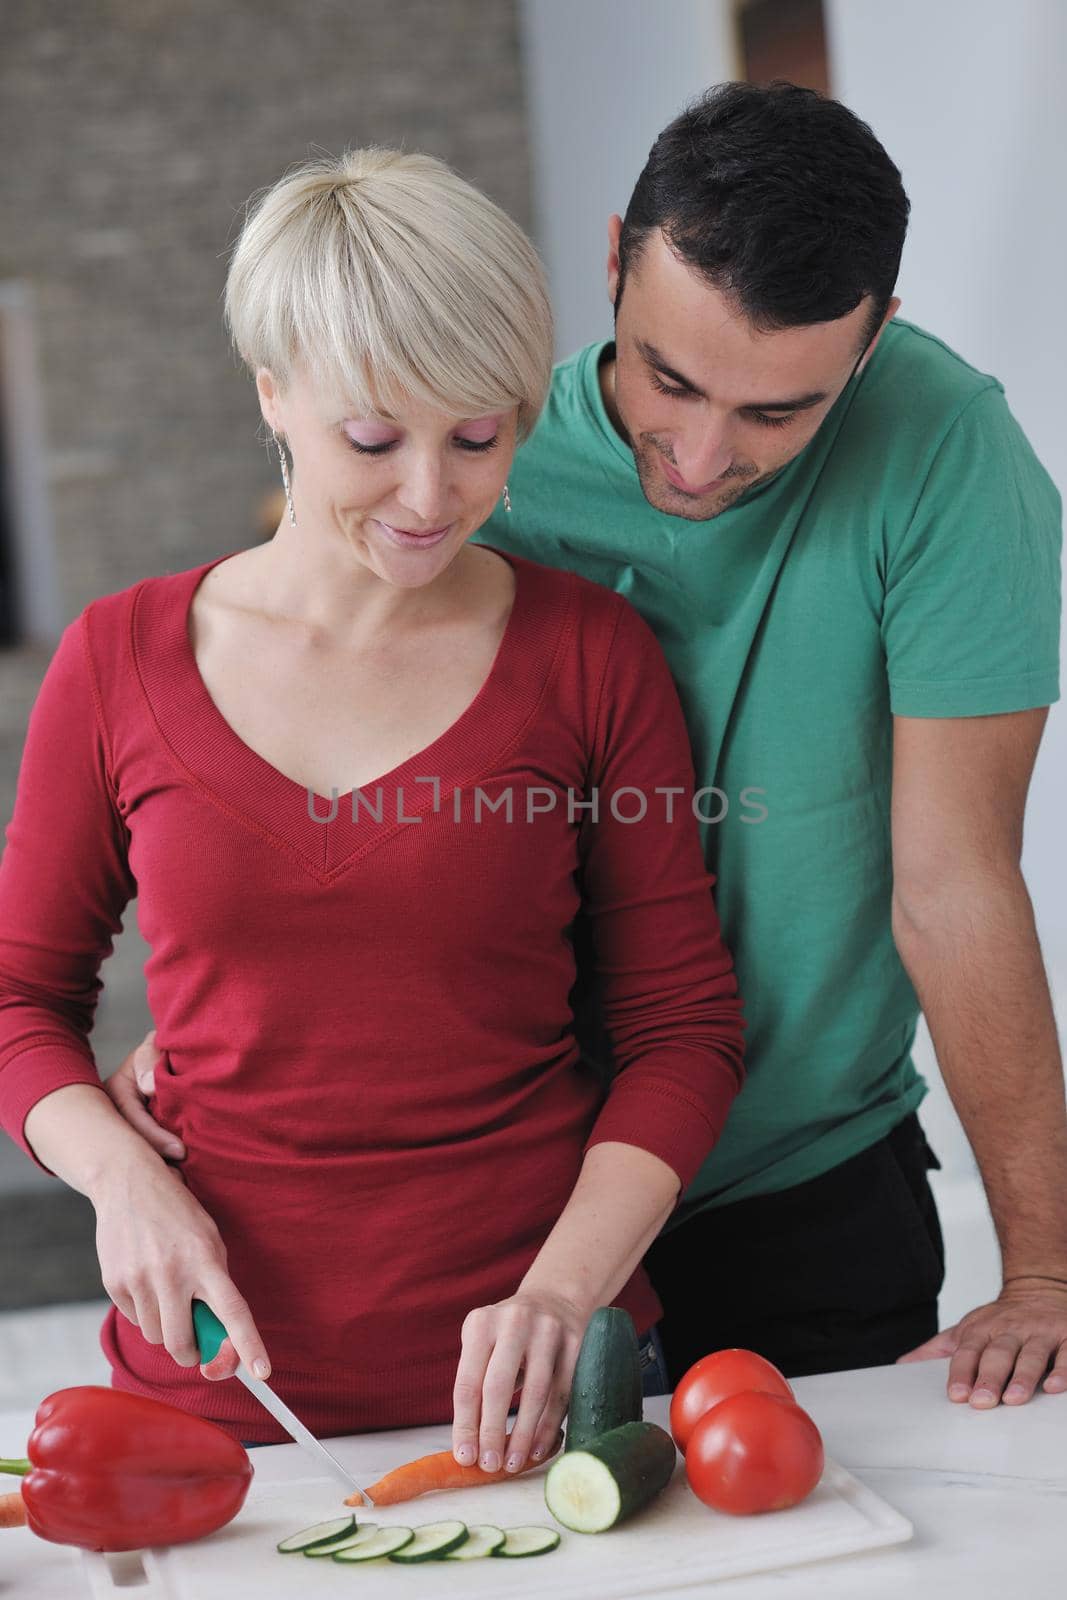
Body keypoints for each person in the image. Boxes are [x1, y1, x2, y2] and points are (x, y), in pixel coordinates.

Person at [109, 82, 1067, 1409]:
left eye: (777, 416)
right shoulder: (477, 465)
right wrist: (223, 1045)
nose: (693, 457)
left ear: (872, 341)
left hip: (803, 1182)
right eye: (669, 380)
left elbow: (955, 881)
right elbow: (329, 782)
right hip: (507, 1206)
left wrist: (1045, 1276)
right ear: (615, 258)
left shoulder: (949, 454)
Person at [0, 149, 746, 1468]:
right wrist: (117, 1178)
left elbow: (683, 1029)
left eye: (477, 438)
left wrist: (564, 1296)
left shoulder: (589, 652)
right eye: (371, 439)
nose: (428, 498)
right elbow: (18, 999)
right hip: (214, 1400)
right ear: (273, 393)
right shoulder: (118, 659)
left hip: (547, 1398)